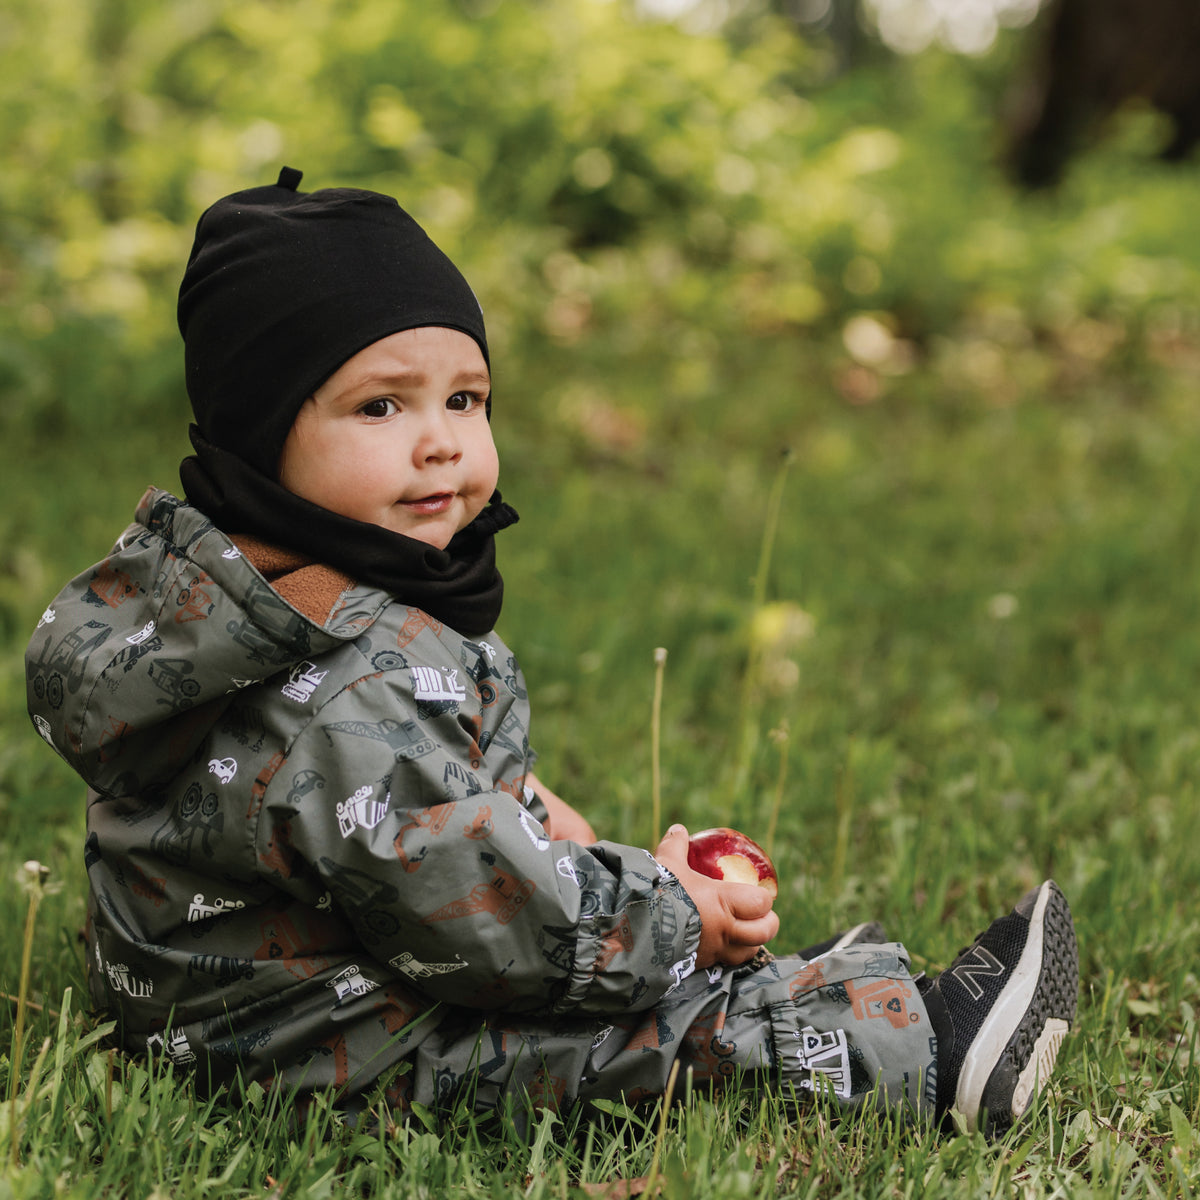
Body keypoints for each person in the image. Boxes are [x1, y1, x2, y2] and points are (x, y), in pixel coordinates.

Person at [26, 168, 1078, 1138]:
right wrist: (670, 915)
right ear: (261, 437)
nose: (440, 439)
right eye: (380, 405)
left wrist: (524, 809)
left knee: (604, 955)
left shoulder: (224, 600)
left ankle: (785, 988)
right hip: (334, 1051)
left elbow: (395, 810)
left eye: (465, 399)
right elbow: (500, 927)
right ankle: (916, 1053)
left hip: (226, 1010)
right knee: (602, 1043)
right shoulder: (355, 685)